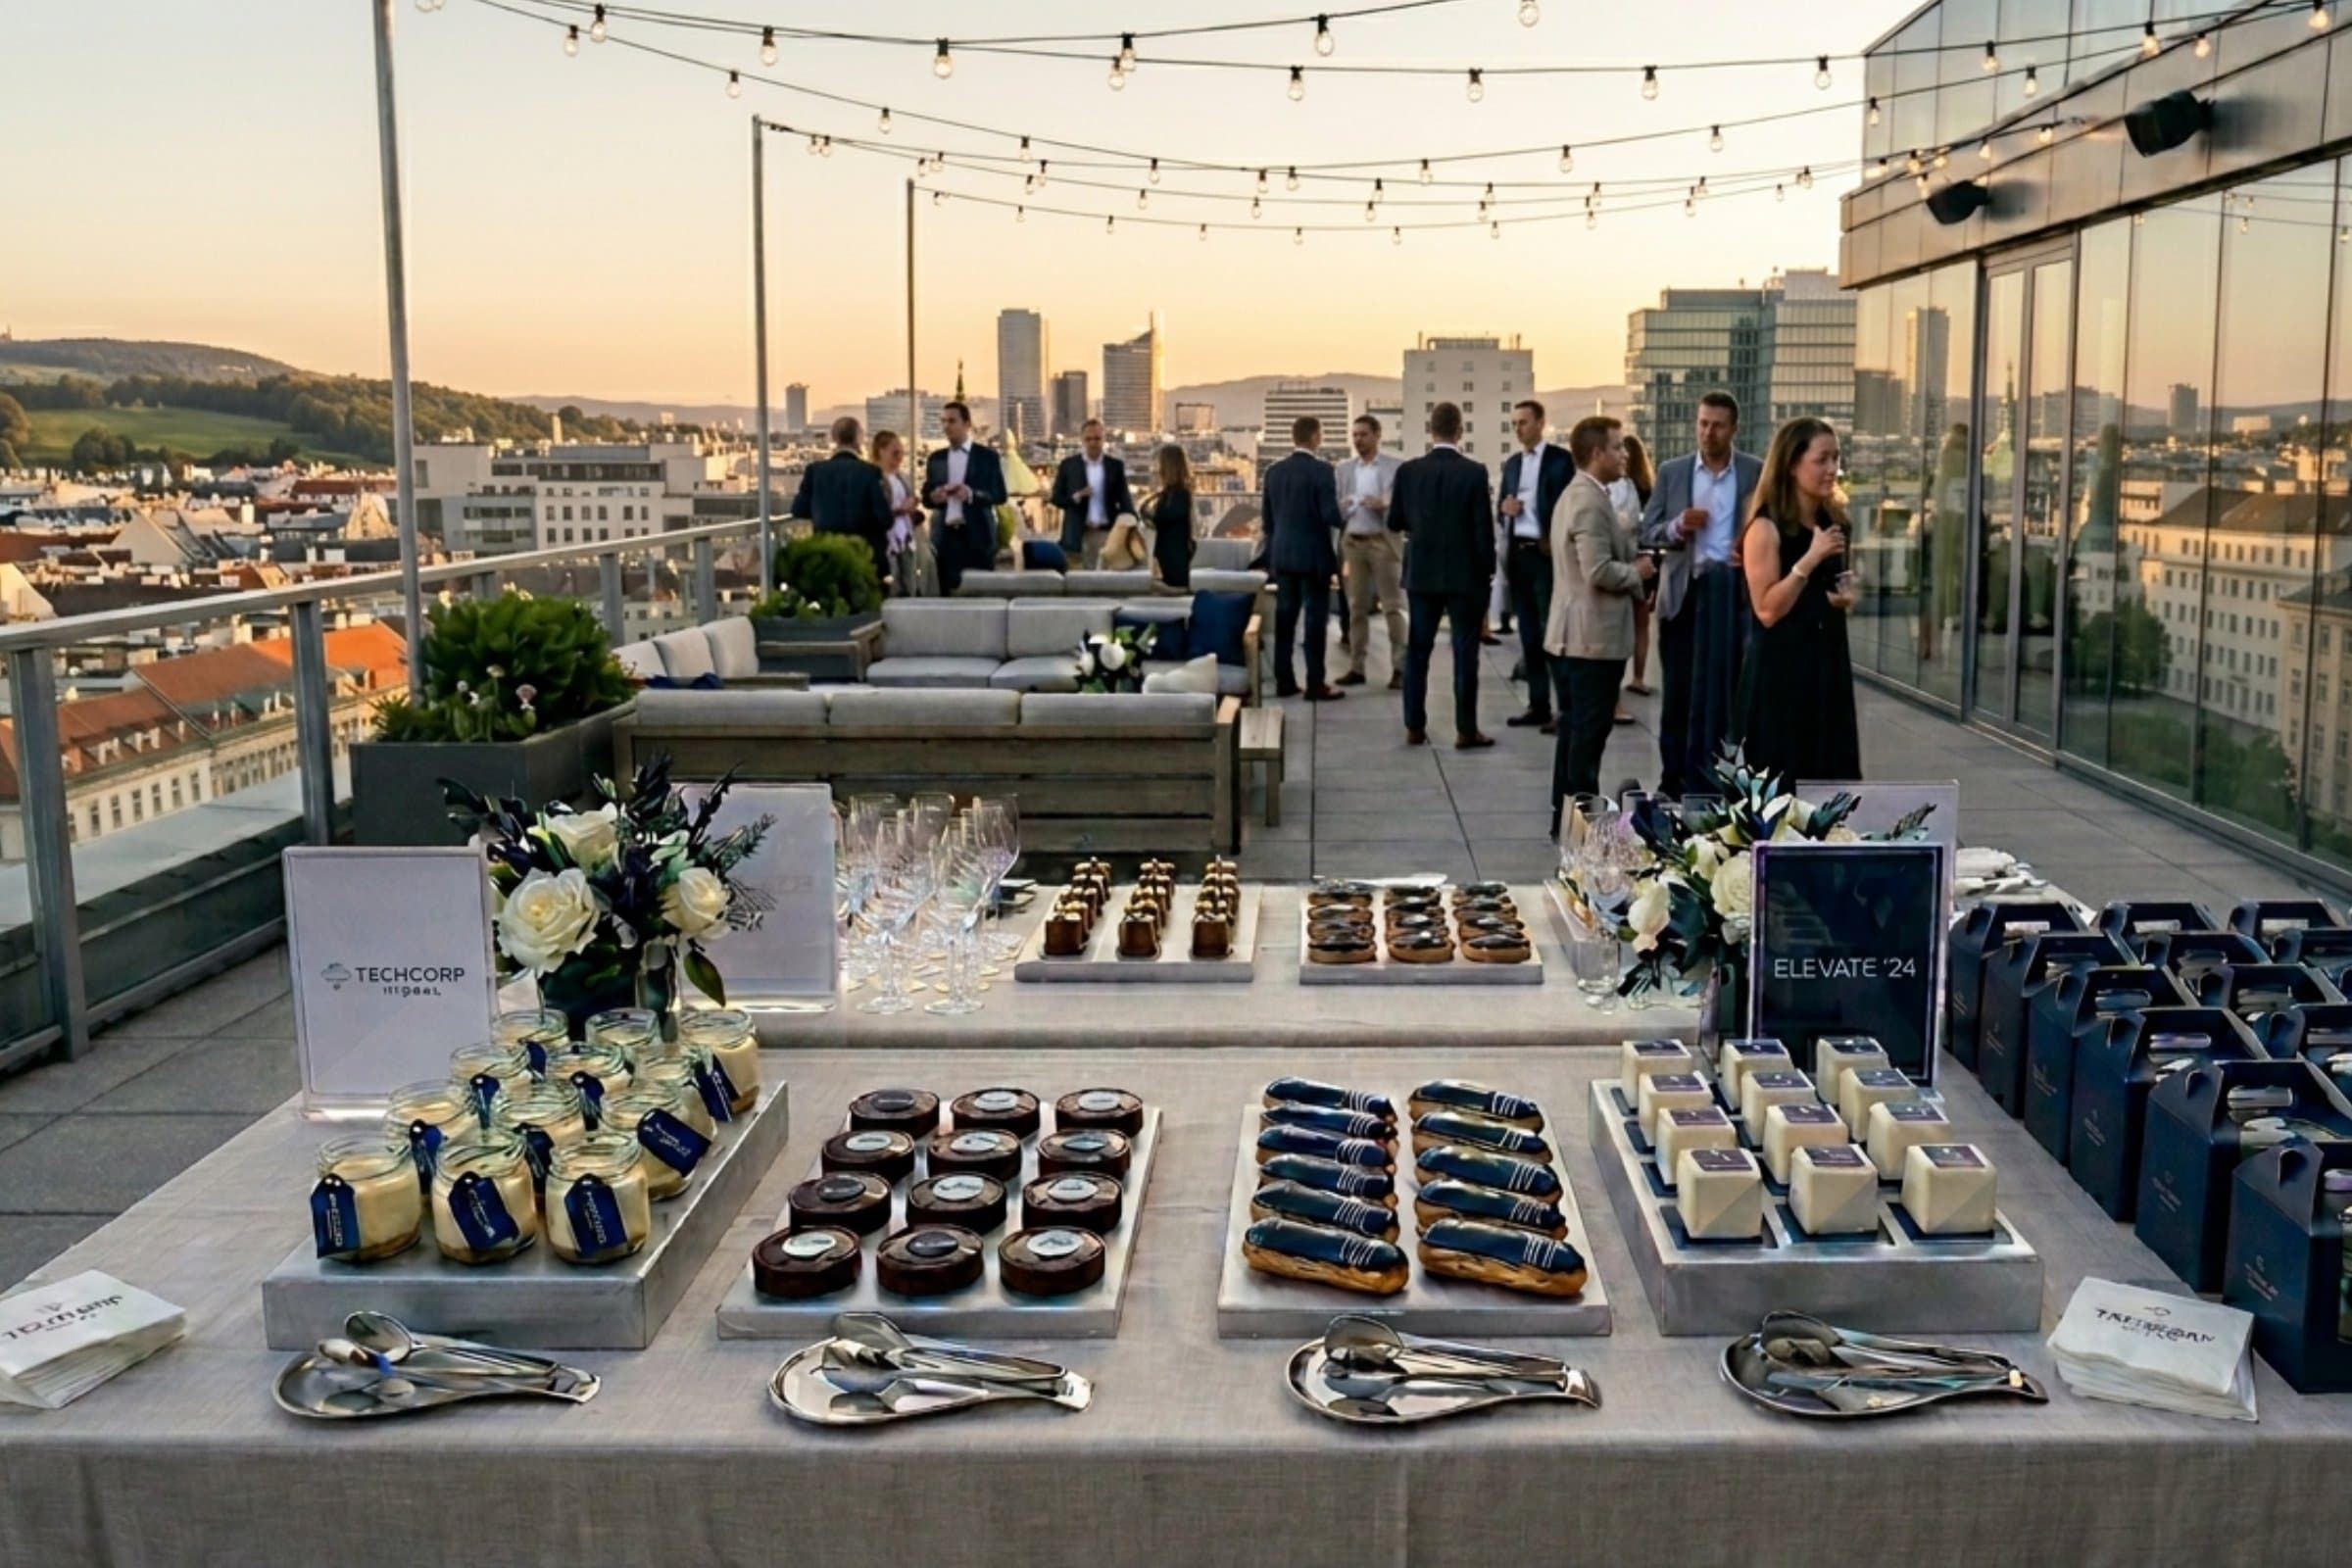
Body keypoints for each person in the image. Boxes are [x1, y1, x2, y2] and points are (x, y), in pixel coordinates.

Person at [1641, 391, 1763, 797]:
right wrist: (1676, 527)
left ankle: (1726, 778)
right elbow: (1647, 532)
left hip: (1733, 598)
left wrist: (1746, 552)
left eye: (1717, 425)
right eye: (1703, 423)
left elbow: (1767, 526)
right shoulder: (1673, 472)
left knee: (1730, 695)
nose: (1708, 432)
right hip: (1685, 598)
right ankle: (1673, 779)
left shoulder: (1753, 472)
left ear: (1734, 429)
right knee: (1678, 695)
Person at [1735, 416, 1861, 782]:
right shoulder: (1765, 527)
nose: (1832, 469)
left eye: (1836, 458)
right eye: (1821, 460)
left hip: (1826, 667)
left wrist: (1844, 593)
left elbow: (1827, 590)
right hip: (1782, 676)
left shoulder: (1832, 520)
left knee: (1831, 776)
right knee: (1783, 781)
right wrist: (1810, 558)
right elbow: (1767, 610)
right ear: (1792, 464)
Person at [1546, 416, 1656, 832]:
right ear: (1597, 454)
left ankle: (1566, 820)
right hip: (1591, 638)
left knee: (1575, 734)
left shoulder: (1579, 495)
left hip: (1575, 635)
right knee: (1587, 740)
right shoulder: (1590, 500)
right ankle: (1584, 827)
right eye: (1617, 447)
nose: (1625, 454)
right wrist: (1638, 573)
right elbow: (1597, 570)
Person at [1391, 401, 1496, 748]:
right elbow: (1483, 529)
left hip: (1421, 572)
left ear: (1430, 429)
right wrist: (1489, 570)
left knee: (1418, 649)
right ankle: (1466, 729)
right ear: (1460, 430)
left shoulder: (1408, 471)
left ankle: (1414, 726)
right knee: (1465, 652)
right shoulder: (1474, 472)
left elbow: (1395, 521)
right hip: (1465, 574)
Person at [1499, 400, 1575, 735]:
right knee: (1527, 633)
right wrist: (1505, 508)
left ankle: (1565, 710)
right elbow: (1501, 506)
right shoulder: (1512, 464)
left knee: (1553, 634)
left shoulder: (1560, 461)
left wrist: (1553, 538)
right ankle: (1538, 704)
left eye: (1524, 422)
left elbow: (1570, 504)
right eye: (1514, 423)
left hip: (1547, 555)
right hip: (1519, 554)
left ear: (1541, 423)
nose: (1518, 429)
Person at [1262, 415, 1346, 701]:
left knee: (1285, 621)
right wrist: (1345, 507)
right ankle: (1315, 683)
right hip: (1313, 557)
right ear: (1315, 437)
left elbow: (1268, 521)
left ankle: (1284, 681)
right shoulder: (1323, 472)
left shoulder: (1274, 472)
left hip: (1283, 555)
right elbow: (1329, 515)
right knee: (1314, 622)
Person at [1335, 414, 1404, 689]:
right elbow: (1335, 507)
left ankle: (1400, 667)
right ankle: (1356, 666)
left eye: (1363, 434)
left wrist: (1385, 504)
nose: (1358, 440)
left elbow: (1402, 503)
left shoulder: (1394, 468)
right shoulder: (1343, 470)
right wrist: (1344, 505)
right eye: (1354, 435)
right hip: (1353, 542)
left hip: (1382, 542)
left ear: (1377, 435)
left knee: (1392, 607)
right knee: (1356, 608)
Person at [788, 415, 893, 577]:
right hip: (864, 557)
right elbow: (885, 518)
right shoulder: (870, 472)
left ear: (834, 438)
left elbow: (798, 510)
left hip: (828, 556)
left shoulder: (815, 471)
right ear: (859, 439)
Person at [923, 400, 1005, 597]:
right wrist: (934, 497)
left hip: (978, 537)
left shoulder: (987, 457)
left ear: (967, 424)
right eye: (943, 421)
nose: (946, 426)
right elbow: (926, 497)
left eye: (952, 421)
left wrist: (971, 494)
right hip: (945, 538)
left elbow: (999, 495)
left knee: (982, 595)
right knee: (945, 594)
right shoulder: (936, 459)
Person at [1610, 431, 1659, 714]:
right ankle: (1638, 677)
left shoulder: (1620, 488)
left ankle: (1617, 695)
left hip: (1626, 560)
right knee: (1641, 624)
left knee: (1619, 627)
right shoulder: (1646, 488)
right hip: (1645, 561)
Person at [1049, 418, 1134, 566]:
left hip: (1108, 535)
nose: (1093, 443)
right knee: (1078, 581)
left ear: (1104, 439)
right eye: (1088, 439)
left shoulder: (1115, 466)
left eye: (1097, 438)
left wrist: (1131, 523)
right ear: (1082, 440)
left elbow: (1125, 500)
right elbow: (1056, 498)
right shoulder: (1069, 466)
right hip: (1077, 536)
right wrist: (1076, 497)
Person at [873, 429, 934, 596]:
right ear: (881, 451)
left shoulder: (901, 477)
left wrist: (912, 504)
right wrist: (900, 510)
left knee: (911, 579)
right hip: (888, 539)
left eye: (902, 453)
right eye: (895, 453)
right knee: (893, 582)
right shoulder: (874, 478)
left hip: (906, 536)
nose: (900, 457)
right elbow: (874, 512)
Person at [1146, 443, 1195, 591]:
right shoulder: (1169, 493)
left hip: (1174, 560)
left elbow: (1164, 518)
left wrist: (1150, 513)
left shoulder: (1180, 495)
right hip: (1168, 556)